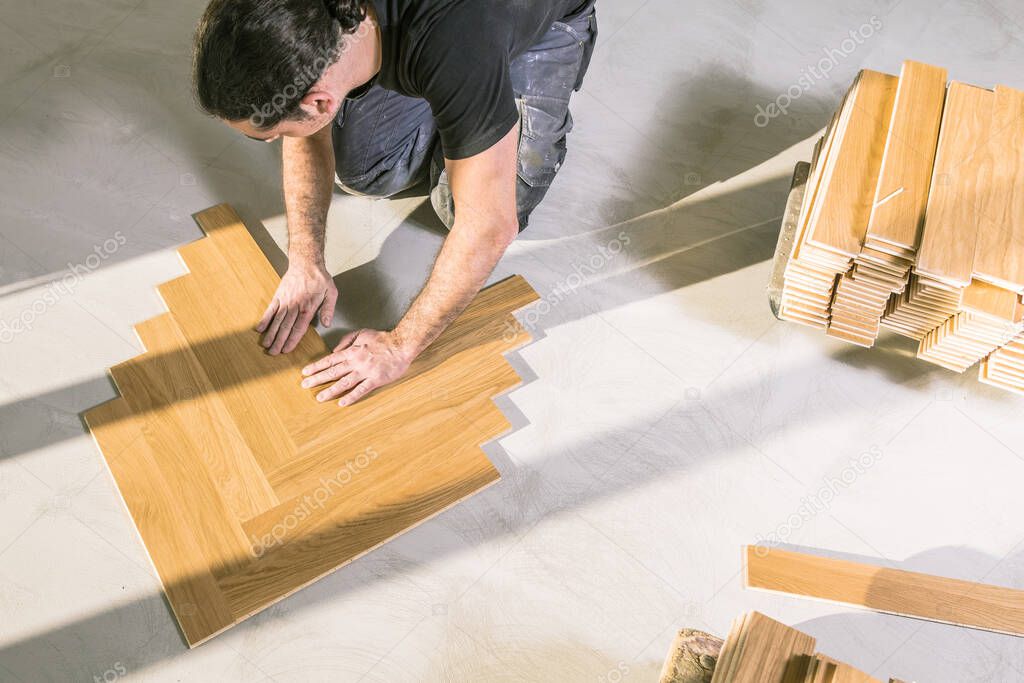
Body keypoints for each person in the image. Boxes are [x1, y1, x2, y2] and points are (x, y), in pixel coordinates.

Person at [192, 0, 597, 405]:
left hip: (535, 29)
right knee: (367, 171)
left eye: (267, 134)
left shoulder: (458, 42)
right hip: (452, 43)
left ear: (320, 103)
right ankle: (464, 111)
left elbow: (490, 225)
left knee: (469, 207)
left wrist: (399, 347)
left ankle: (483, 106)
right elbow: (307, 129)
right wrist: (305, 260)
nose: (274, 141)